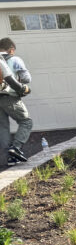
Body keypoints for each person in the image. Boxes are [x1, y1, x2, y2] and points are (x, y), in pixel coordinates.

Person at [0, 37, 33, 169]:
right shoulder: (14, 59)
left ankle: (9, 159)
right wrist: (23, 87)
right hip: (10, 97)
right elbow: (26, 78)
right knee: (26, 122)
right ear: (11, 49)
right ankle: (16, 148)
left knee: (3, 128)